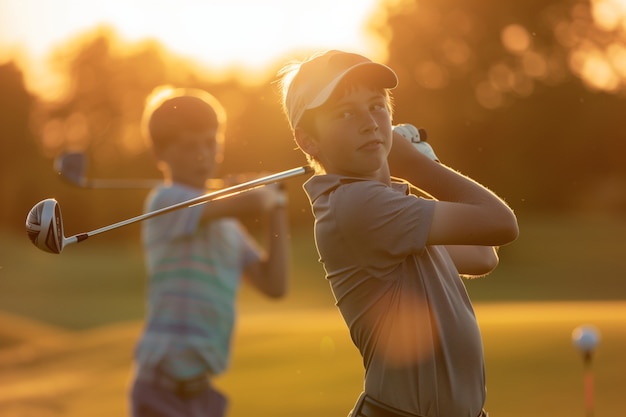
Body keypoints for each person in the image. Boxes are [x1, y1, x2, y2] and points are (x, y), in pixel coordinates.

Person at [277, 50, 519, 417]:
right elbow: (501, 223)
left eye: (376, 106)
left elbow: (483, 253)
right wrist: (415, 164)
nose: (370, 123)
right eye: (345, 112)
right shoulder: (355, 206)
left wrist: (424, 163)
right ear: (308, 139)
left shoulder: (391, 208)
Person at [130, 86, 290, 417]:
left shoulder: (229, 229)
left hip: (202, 395)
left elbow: (275, 286)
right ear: (161, 155)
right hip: (161, 388)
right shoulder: (164, 202)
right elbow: (251, 201)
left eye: (211, 142)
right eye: (190, 146)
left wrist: (278, 210)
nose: (204, 154)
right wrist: (263, 192)